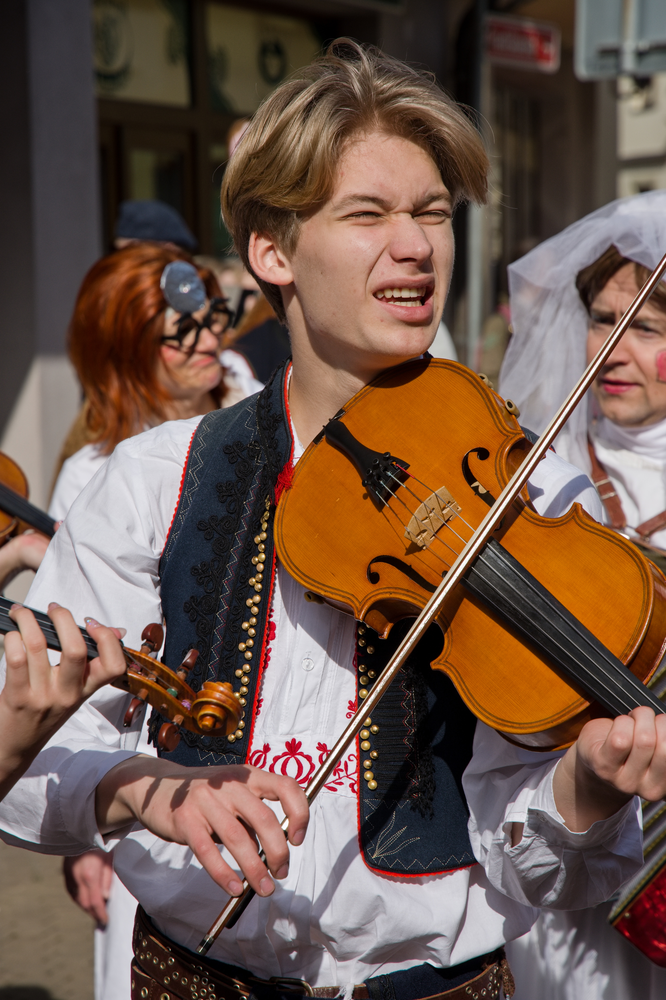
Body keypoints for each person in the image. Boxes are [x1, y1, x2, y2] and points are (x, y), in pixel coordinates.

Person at [0, 41, 664, 1000]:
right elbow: (40, 774)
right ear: (272, 251)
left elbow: (532, 861)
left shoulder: (532, 494)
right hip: (191, 977)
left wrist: (586, 789)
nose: (417, 246)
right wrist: (139, 788)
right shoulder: (155, 477)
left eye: (433, 213)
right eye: (368, 214)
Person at [48, 242, 261, 1000]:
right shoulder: (94, 473)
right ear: (126, 352)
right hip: (151, 784)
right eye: (180, 332)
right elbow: (80, 689)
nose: (209, 340)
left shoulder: (251, 418)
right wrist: (85, 836)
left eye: (212, 318)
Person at [499, 189, 666, 999]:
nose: (615, 350)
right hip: (566, 836)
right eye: (604, 319)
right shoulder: (540, 475)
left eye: (649, 327)